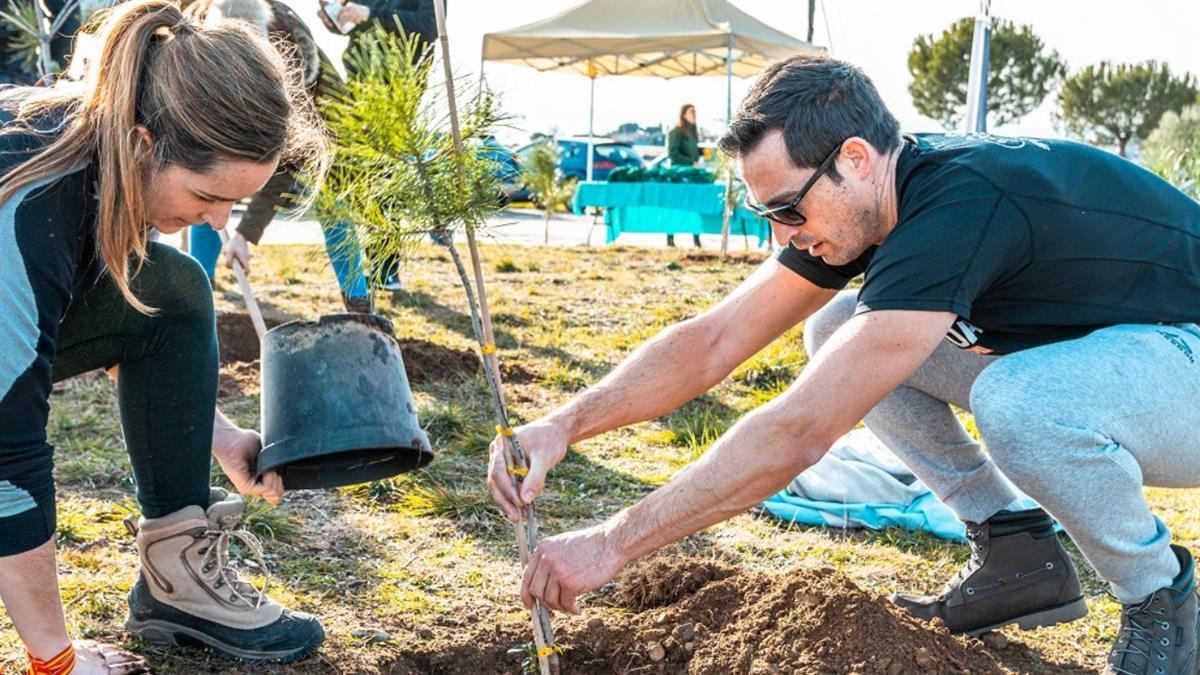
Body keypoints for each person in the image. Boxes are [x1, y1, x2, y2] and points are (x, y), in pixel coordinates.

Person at [487, 55, 1200, 675]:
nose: (784, 235)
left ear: (856, 158)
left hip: (1185, 355)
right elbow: (716, 339)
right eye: (766, 213)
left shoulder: (959, 208)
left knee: (1020, 399)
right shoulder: (877, 198)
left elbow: (801, 428)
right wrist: (562, 424)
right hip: (1136, 358)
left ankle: (1161, 598)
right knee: (837, 329)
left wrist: (612, 544)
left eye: (790, 209)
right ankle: (1017, 552)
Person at [0, 1, 330, 671]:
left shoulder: (109, 152)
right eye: (208, 196)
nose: (216, 220)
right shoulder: (29, 206)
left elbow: (127, 316)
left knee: (169, 286)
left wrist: (220, 437)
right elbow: (7, 455)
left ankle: (179, 586)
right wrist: (55, 659)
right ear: (146, 143)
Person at [184, 0, 372, 313]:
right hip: (251, 112)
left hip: (324, 117)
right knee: (209, 180)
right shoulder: (205, 33)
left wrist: (245, 234)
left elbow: (286, 159)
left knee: (330, 202)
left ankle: (358, 301)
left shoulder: (285, 53)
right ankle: (196, 293)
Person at [317, 0, 437, 291]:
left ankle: (386, 271)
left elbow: (429, 27)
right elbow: (354, 28)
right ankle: (370, 267)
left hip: (396, 95)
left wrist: (372, 14)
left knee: (383, 184)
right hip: (358, 90)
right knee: (359, 183)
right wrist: (336, 20)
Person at [665, 103, 702, 248]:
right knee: (675, 207)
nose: (695, 114)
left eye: (695, 111)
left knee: (694, 207)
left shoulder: (693, 132)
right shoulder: (675, 131)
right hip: (679, 175)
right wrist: (691, 162)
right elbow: (672, 154)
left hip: (692, 175)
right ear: (683, 114)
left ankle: (696, 239)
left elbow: (693, 151)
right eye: (692, 111)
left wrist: (701, 153)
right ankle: (670, 238)